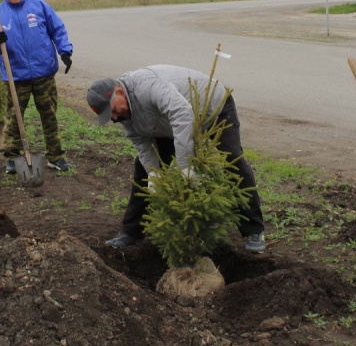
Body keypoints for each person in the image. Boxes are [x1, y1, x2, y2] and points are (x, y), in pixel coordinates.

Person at [86, 65, 266, 253]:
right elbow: (139, 140)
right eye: (110, 116)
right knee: (143, 169)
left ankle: (254, 231)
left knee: (233, 161)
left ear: (120, 92)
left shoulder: (149, 86)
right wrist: (154, 172)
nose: (115, 118)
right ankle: (131, 231)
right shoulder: (124, 112)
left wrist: (185, 166)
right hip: (167, 124)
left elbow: (182, 115)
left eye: (114, 110)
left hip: (212, 108)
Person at [0, 0, 73, 173]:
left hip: (43, 72)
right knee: (14, 118)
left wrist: (65, 51)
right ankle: (13, 158)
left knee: (49, 115)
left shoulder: (39, 5)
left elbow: (57, 29)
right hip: (15, 75)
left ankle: (56, 157)